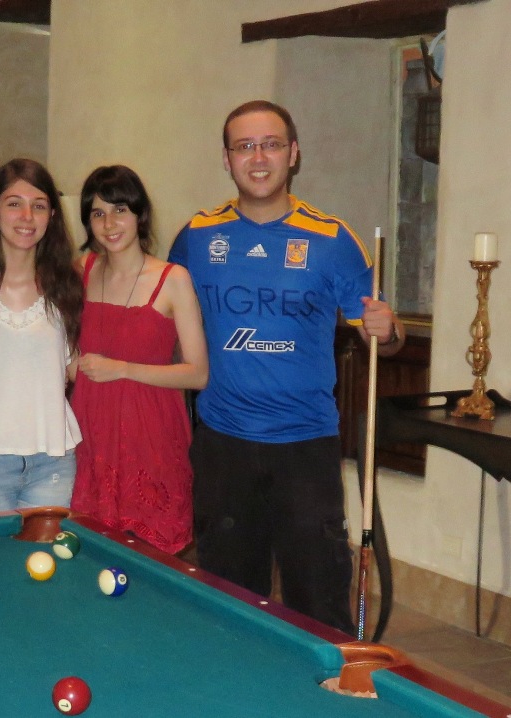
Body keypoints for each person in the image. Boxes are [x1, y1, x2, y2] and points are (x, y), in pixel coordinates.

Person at [168, 100, 405, 634]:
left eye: (271, 144)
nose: (258, 157)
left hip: (306, 448)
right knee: (228, 606)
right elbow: (159, 321)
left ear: (293, 154)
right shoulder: (195, 238)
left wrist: (388, 330)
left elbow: (384, 341)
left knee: (318, 604)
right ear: (226, 159)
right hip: (223, 444)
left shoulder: (334, 240)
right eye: (244, 146)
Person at [70, 165, 207, 555]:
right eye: (98, 213)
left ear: (139, 214)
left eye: (120, 210)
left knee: (153, 557)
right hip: (92, 433)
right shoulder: (82, 271)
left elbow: (198, 374)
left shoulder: (173, 278)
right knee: (90, 553)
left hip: (151, 437)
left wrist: (123, 369)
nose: (109, 223)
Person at [0, 159, 83, 515]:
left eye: (39, 206)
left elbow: (76, 369)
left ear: (52, 215)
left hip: (52, 462)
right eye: (14, 203)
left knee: (46, 553)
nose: (27, 216)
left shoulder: (68, 287)